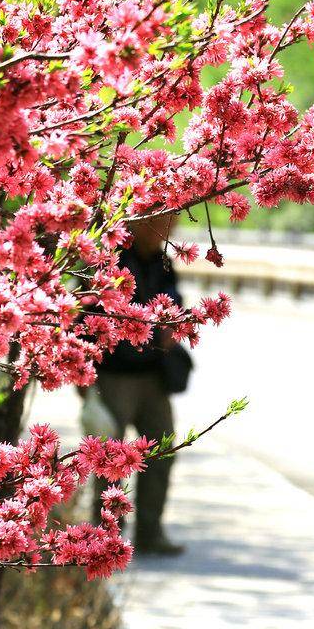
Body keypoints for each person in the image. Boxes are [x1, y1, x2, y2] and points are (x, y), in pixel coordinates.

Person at [88, 212, 186, 556]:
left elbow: (175, 302)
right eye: (166, 221)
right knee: (112, 460)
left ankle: (150, 531)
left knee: (162, 450)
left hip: (153, 374)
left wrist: (172, 325)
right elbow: (88, 315)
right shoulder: (113, 257)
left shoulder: (162, 260)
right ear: (143, 222)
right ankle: (104, 539)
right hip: (113, 375)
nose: (171, 230)